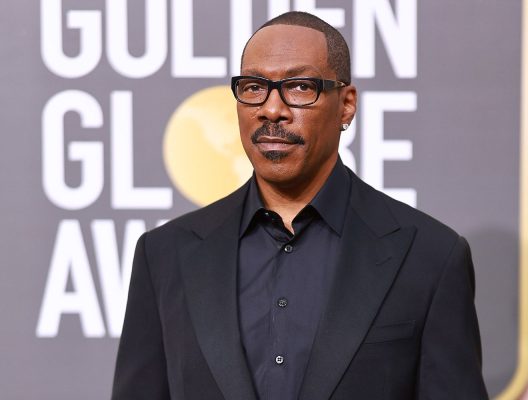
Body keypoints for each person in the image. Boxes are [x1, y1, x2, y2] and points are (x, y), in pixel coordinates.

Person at [112, 11, 488, 400]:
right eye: (255, 87)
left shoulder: (429, 256)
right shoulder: (165, 255)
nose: (272, 109)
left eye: (300, 87)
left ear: (346, 105)